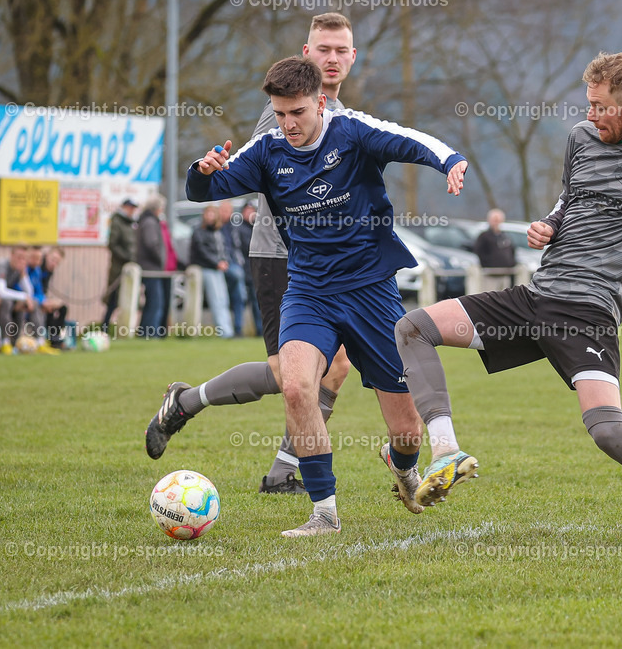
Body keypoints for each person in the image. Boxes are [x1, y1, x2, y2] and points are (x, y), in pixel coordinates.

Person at [394, 52, 622, 550]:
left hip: (586, 315)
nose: (589, 115)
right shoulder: (582, 139)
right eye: (587, 104)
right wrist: (550, 223)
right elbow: (571, 197)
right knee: (413, 327)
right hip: (537, 297)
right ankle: (447, 452)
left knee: (609, 435)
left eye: (598, 106)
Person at [184, 55, 467, 537]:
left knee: (406, 432)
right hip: (309, 291)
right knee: (296, 386)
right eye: (279, 113)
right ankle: (323, 512)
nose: (288, 124)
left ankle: (401, 467)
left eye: (297, 112)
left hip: (371, 292)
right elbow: (202, 191)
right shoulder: (267, 150)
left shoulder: (352, 131)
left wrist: (451, 162)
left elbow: (414, 141)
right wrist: (202, 170)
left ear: (319, 102)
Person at [145, 13, 358, 496]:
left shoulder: (336, 109)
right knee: (292, 375)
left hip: (323, 262)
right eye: (322, 48)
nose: (331, 58)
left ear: (351, 57)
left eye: (340, 50)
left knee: (336, 365)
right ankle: (186, 401)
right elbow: (255, 167)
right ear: (306, 53)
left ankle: (284, 470)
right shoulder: (288, 105)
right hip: (280, 257)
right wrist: (210, 172)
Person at [0, 246, 49, 354]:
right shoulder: (0, 265)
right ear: (12, 255)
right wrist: (24, 297)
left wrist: (24, 275)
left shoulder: (19, 270)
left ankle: (37, 341)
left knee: (30, 304)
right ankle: (5, 342)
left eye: (24, 258)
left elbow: (29, 293)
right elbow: (1, 291)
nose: (21, 260)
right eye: (19, 257)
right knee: (7, 303)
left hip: (2, 298)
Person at [189, 205, 234, 339]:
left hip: (218, 269)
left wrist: (224, 261)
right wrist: (216, 263)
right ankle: (224, 332)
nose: (210, 216)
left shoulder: (217, 232)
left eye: (212, 214)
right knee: (216, 300)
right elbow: (202, 251)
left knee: (223, 300)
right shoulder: (199, 231)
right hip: (208, 268)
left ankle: (228, 330)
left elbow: (224, 249)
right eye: (207, 214)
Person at [102, 199, 137, 329]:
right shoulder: (117, 221)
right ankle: (104, 327)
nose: (132, 210)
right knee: (112, 299)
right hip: (118, 268)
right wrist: (127, 257)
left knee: (129, 299)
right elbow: (113, 244)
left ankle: (124, 327)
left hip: (130, 268)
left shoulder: (132, 223)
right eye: (130, 207)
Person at [136, 195, 168, 338]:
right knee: (155, 303)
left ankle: (144, 333)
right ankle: (151, 333)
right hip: (151, 269)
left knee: (150, 303)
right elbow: (151, 244)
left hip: (150, 267)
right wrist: (161, 259)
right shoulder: (150, 222)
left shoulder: (146, 220)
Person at [219, 200, 248, 337]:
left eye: (227, 210)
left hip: (235, 264)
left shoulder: (236, 227)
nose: (225, 213)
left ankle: (238, 329)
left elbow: (240, 247)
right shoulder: (215, 227)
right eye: (223, 210)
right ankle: (226, 331)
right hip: (221, 265)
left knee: (239, 298)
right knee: (224, 298)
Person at [237, 200, 263, 336]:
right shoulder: (239, 228)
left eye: (252, 210)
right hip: (245, 270)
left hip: (256, 270)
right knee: (242, 300)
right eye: (247, 210)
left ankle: (261, 331)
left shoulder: (260, 227)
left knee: (258, 302)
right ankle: (239, 330)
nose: (250, 213)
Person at [473, 208, 516, 289]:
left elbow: (512, 251)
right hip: (490, 275)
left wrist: (511, 264)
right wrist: (487, 265)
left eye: (498, 220)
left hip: (505, 274)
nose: (496, 222)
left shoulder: (505, 236)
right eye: (494, 220)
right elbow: (479, 251)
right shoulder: (484, 236)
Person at [39, 247, 68, 348]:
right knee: (49, 310)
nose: (54, 264)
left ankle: (55, 338)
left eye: (57, 262)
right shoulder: (38, 266)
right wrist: (43, 301)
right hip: (33, 299)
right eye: (53, 260)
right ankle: (53, 340)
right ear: (47, 256)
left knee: (62, 308)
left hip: (41, 298)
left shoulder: (49, 271)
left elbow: (44, 289)